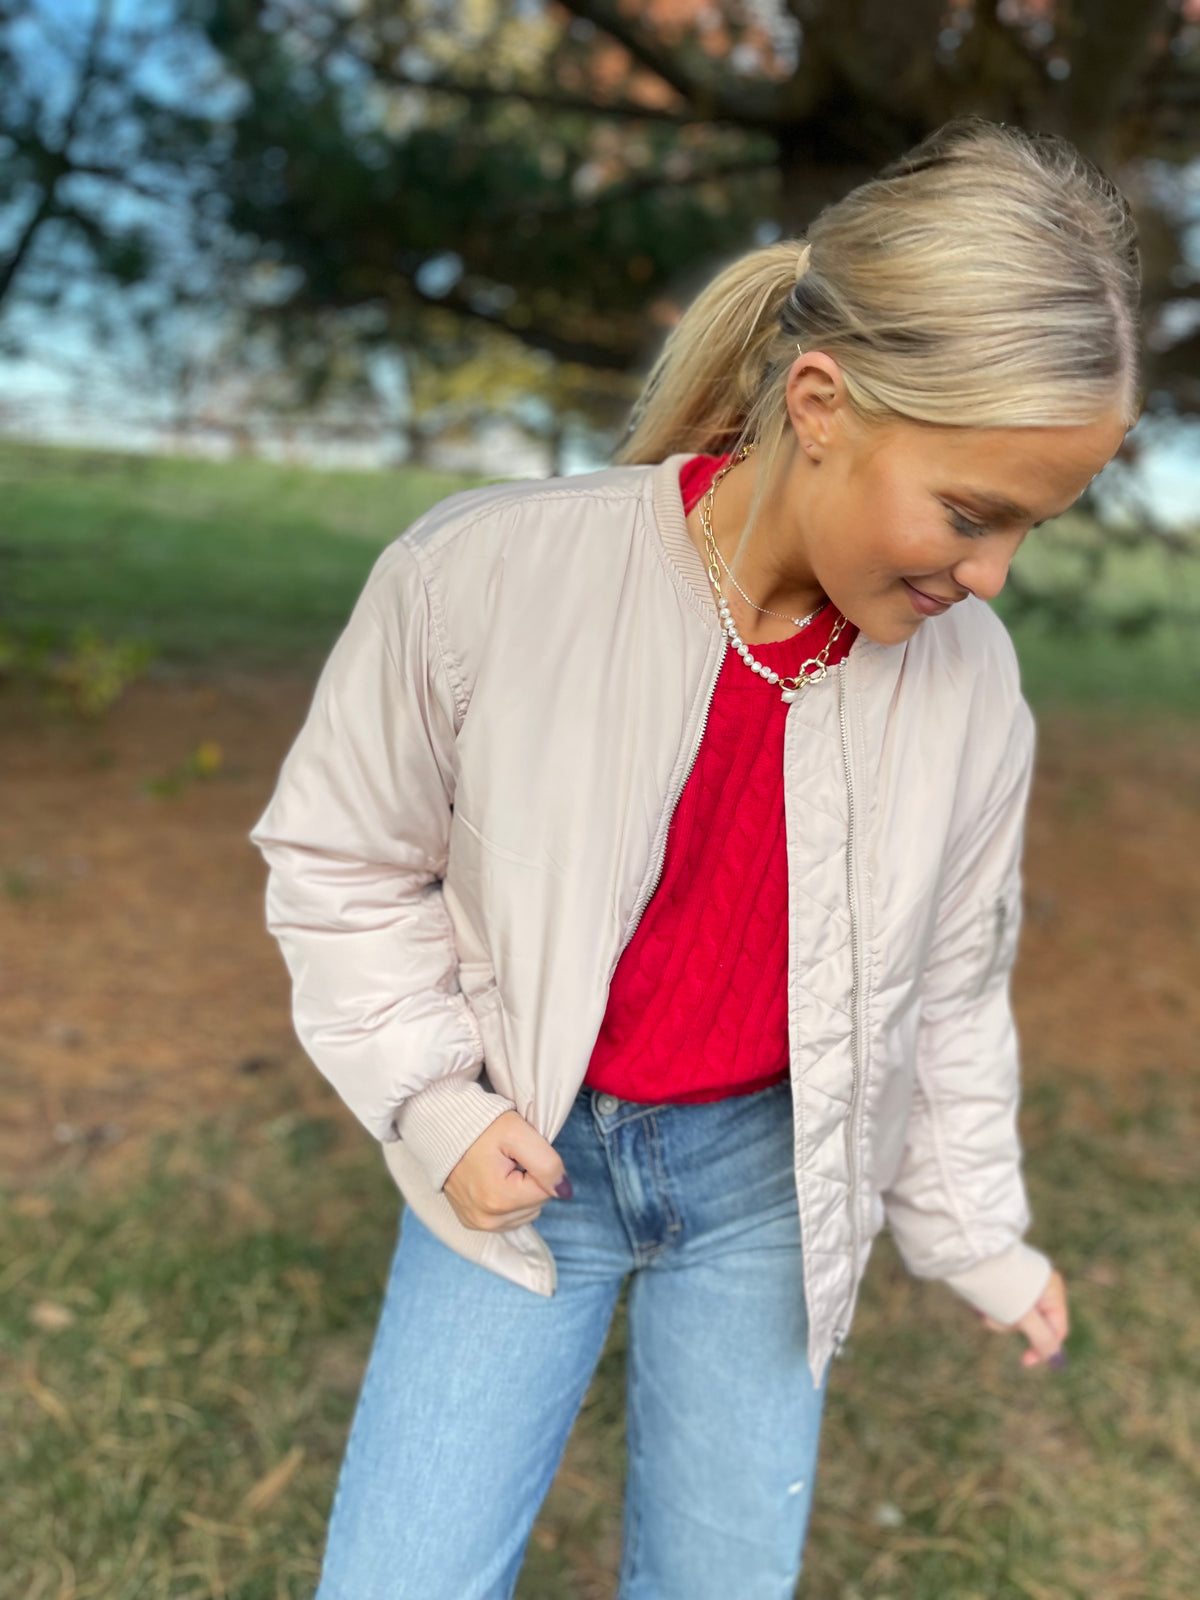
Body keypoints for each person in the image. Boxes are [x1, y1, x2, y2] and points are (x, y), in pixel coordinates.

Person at [250, 117, 1139, 1600]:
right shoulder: (484, 576)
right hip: (522, 1167)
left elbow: (951, 989)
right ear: (820, 401)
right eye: (972, 515)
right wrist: (431, 1104)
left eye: (1028, 533)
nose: (990, 577)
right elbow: (341, 864)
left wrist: (980, 1236)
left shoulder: (971, 683)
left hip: (766, 1188)